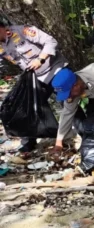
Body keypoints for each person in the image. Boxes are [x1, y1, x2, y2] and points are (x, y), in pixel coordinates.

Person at [0, 17, 67, 152]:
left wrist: (40, 59)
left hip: (54, 68)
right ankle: (29, 141)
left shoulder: (22, 31)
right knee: (25, 105)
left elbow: (51, 41)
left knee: (67, 101)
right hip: (35, 77)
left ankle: (83, 132)